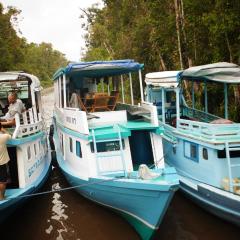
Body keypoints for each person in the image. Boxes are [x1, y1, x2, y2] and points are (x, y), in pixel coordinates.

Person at [0, 122, 11, 200]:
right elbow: (10, 135)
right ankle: (1, 197)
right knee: (2, 182)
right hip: (2, 163)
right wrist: (3, 129)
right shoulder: (3, 137)